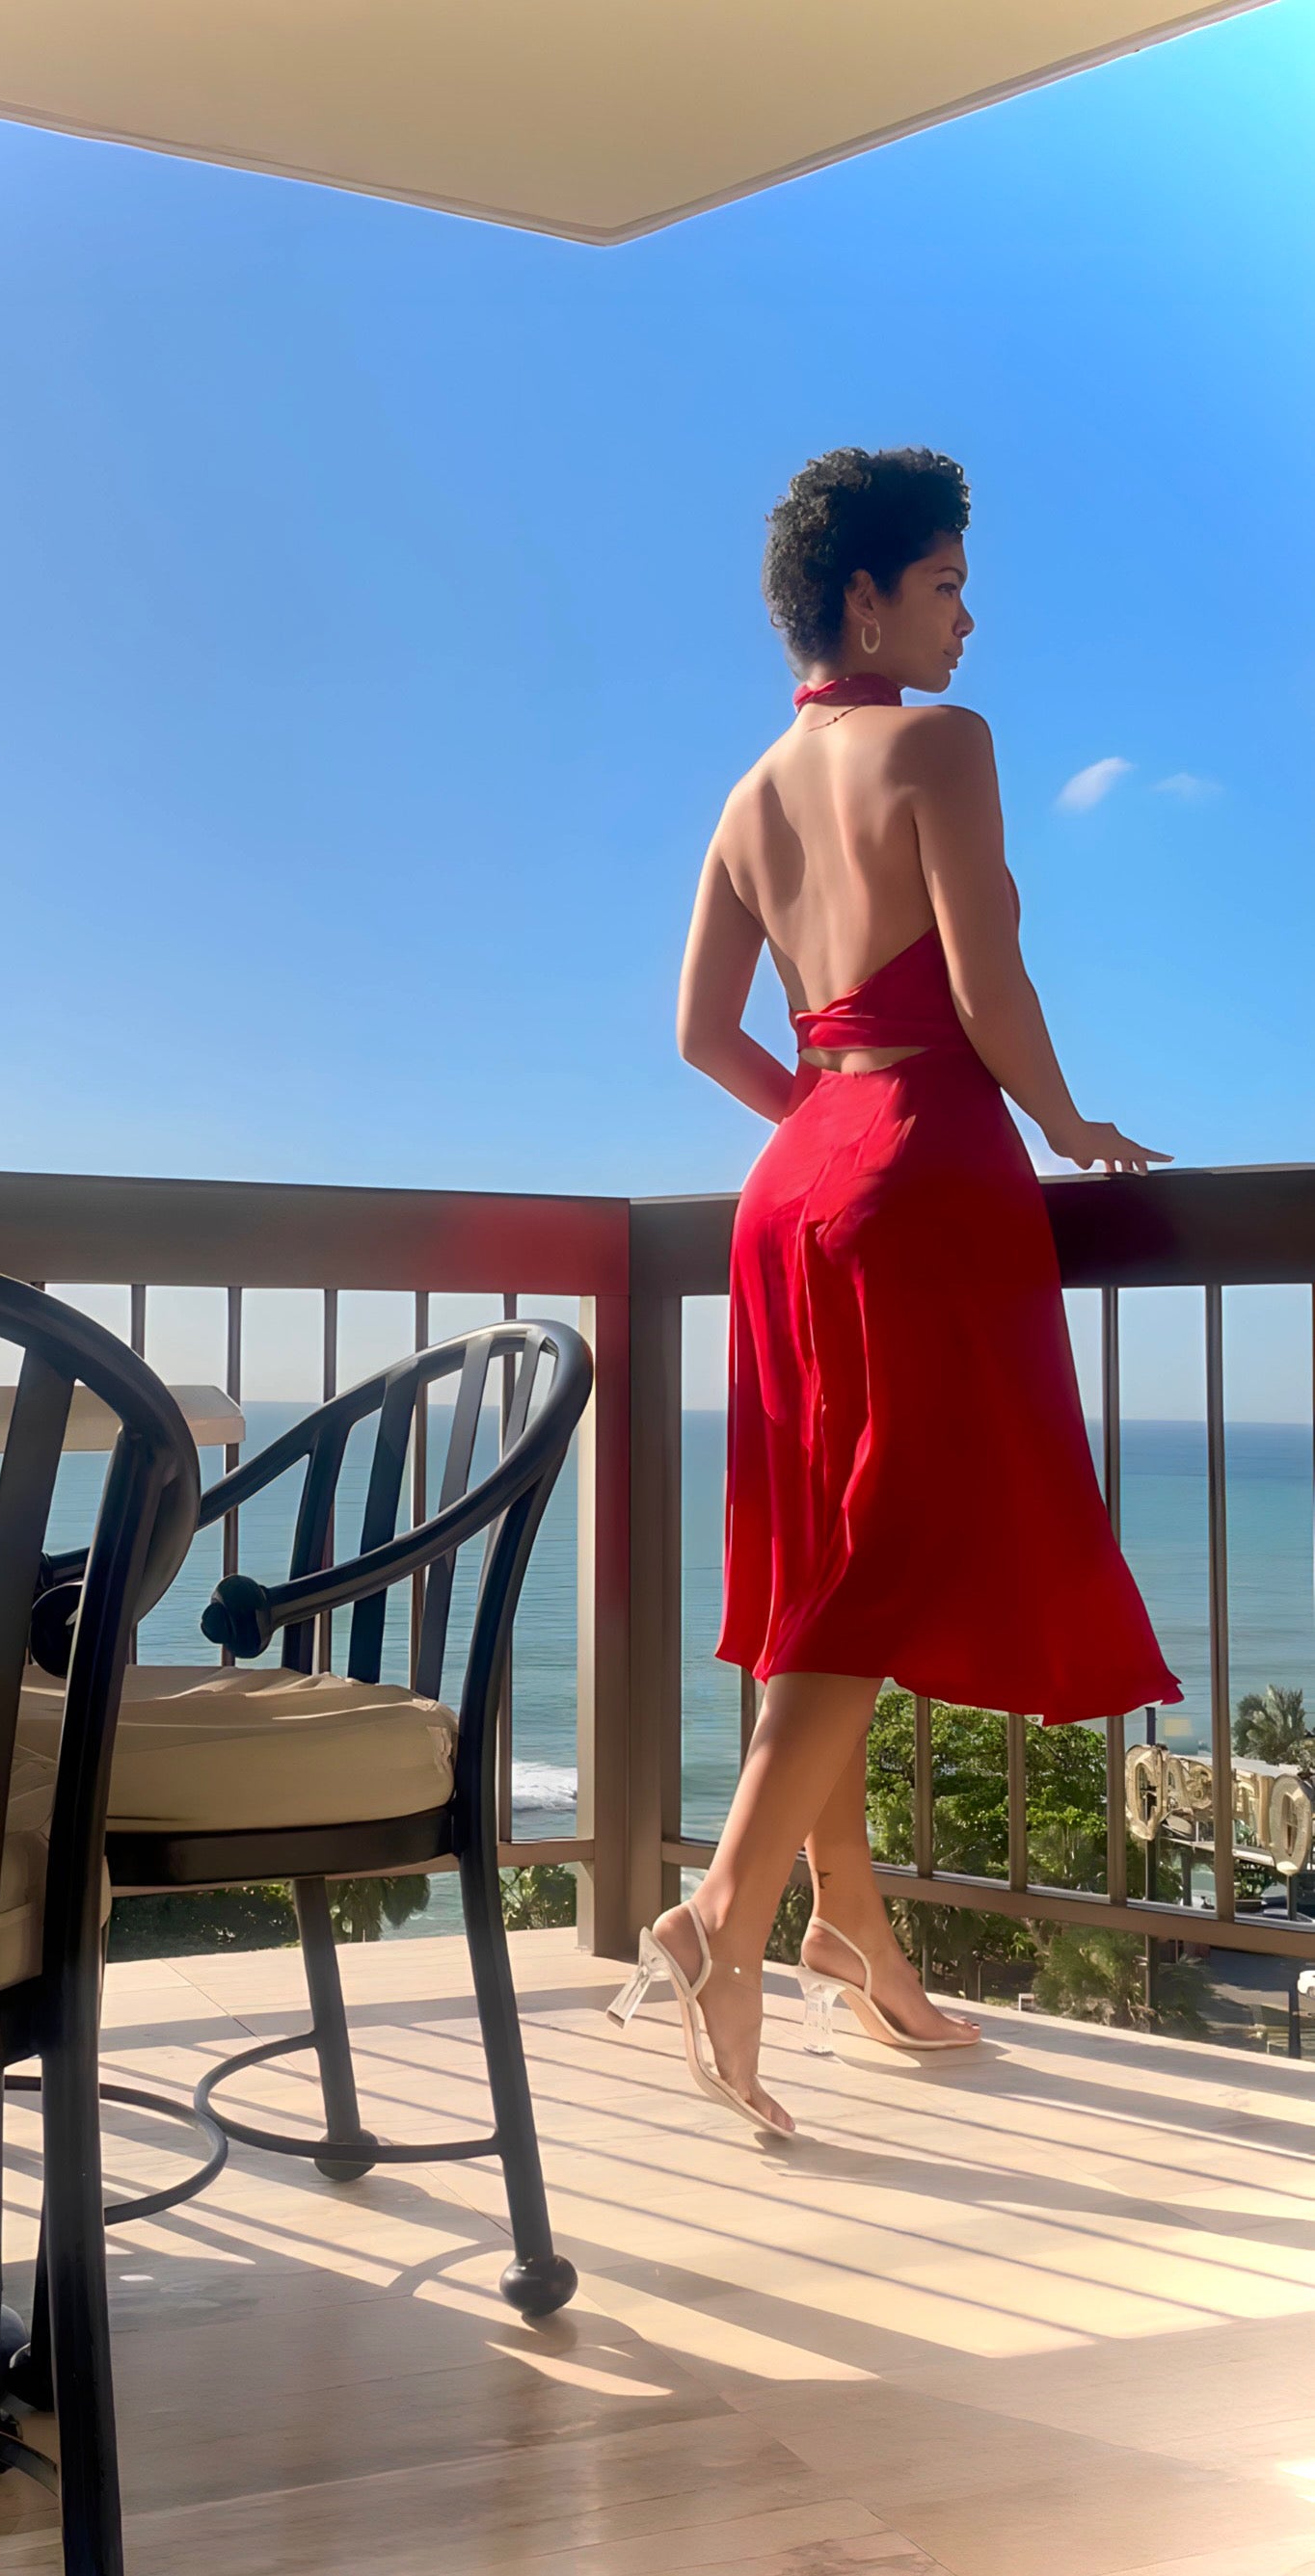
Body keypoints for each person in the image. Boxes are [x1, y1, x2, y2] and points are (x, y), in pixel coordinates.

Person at [610, 446, 1181, 2137]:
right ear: (864, 599)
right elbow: (987, 980)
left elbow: (703, 1034)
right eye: (944, 585)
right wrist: (1069, 1121)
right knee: (885, 1547)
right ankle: (723, 1918)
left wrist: (819, 1123)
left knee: (825, 1554)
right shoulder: (941, 744)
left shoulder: (746, 796)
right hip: (923, 1170)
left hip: (792, 1191)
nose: (965, 620)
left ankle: (848, 1925)